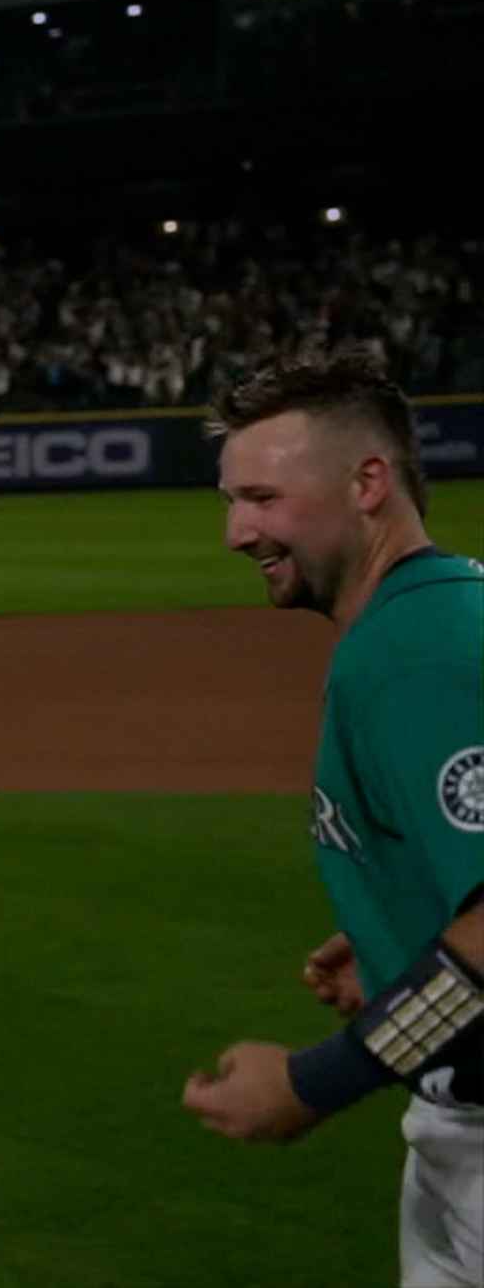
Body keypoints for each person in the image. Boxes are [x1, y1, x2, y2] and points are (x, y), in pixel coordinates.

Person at [181, 356, 484, 1288]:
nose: (239, 532)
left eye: (264, 498)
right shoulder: (446, 609)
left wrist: (315, 1082)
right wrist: (405, 942)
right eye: (232, 501)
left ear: (368, 483)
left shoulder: (412, 654)